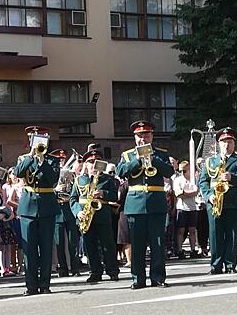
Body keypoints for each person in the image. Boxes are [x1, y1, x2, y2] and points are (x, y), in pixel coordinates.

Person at [115, 120, 174, 289]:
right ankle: (137, 279)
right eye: (139, 136)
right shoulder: (127, 155)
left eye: (146, 135)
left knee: (157, 243)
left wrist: (153, 159)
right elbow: (121, 172)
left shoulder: (161, 154)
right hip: (135, 203)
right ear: (135, 138)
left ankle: (158, 277)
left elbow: (170, 171)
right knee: (137, 243)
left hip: (156, 202)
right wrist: (139, 160)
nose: (143, 139)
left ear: (152, 136)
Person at [14, 126, 60, 296]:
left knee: (46, 248)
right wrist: (32, 156)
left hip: (47, 207)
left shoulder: (52, 160)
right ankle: (31, 286)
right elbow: (18, 172)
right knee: (29, 250)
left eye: (40, 138)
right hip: (27, 208)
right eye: (33, 138)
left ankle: (45, 284)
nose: (37, 142)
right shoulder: (24, 158)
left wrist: (42, 161)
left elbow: (53, 179)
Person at [199, 127, 237, 274]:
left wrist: (233, 178)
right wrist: (208, 195)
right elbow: (203, 181)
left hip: (233, 201)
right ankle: (216, 265)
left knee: (232, 234)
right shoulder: (210, 161)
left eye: (229, 142)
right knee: (214, 234)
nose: (226, 145)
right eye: (223, 142)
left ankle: (231, 265)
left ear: (234, 143)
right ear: (218, 144)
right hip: (214, 202)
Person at [70, 150, 119, 283]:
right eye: (90, 162)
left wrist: (103, 193)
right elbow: (73, 199)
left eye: (96, 161)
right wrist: (77, 212)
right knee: (89, 246)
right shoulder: (79, 180)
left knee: (107, 245)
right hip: (85, 216)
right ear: (86, 164)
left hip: (102, 215)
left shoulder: (108, 179)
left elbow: (115, 196)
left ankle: (112, 270)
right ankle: (95, 271)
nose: (93, 164)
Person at [51, 149, 80, 278]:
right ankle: (63, 269)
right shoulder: (51, 173)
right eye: (59, 159)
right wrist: (55, 189)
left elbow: (74, 189)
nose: (61, 162)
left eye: (63, 159)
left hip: (69, 209)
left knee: (73, 242)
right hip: (57, 210)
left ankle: (75, 268)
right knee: (59, 243)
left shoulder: (69, 173)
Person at [172, 161, 199, 259]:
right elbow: (179, 194)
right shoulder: (178, 180)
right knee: (180, 230)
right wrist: (190, 193)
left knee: (192, 230)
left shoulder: (194, 180)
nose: (183, 173)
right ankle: (179, 250)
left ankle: (193, 250)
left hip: (192, 207)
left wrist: (186, 193)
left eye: (185, 170)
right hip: (182, 207)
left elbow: (197, 191)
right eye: (181, 171)